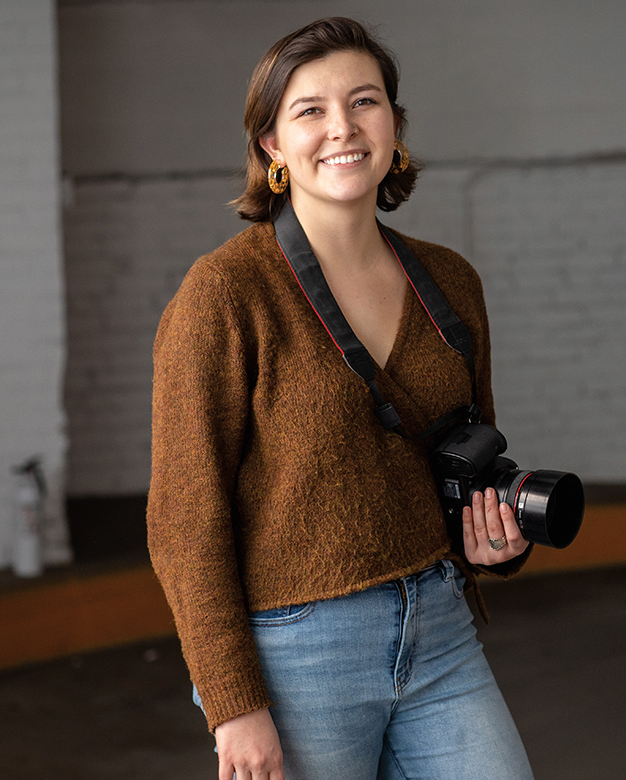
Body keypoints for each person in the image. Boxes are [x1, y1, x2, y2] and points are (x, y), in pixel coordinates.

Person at [147, 17, 534, 780]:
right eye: (310, 110)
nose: (343, 128)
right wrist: (233, 705)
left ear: (394, 125)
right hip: (299, 652)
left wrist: (491, 541)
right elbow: (183, 522)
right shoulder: (226, 294)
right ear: (272, 146)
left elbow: (469, 455)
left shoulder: (450, 282)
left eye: (365, 102)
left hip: (441, 629)